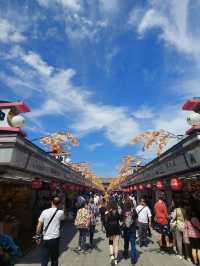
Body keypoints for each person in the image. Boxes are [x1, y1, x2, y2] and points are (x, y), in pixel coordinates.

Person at [36, 196, 65, 266]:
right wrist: (62, 207)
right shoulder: (61, 212)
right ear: (59, 204)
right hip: (55, 238)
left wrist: (37, 236)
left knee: (44, 258)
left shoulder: (44, 212)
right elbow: (63, 218)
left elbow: (39, 225)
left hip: (45, 238)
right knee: (54, 258)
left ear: (51, 202)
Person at [121, 199, 138, 266]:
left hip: (126, 229)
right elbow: (136, 217)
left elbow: (121, 218)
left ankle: (125, 255)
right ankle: (133, 259)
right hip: (132, 230)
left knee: (126, 243)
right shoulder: (133, 210)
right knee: (133, 245)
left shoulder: (123, 210)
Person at [105, 201, 121, 265]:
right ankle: (116, 260)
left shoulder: (107, 212)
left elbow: (105, 222)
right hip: (117, 228)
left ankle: (112, 256)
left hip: (110, 229)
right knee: (116, 245)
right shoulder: (117, 212)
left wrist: (106, 230)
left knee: (111, 243)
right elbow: (120, 219)